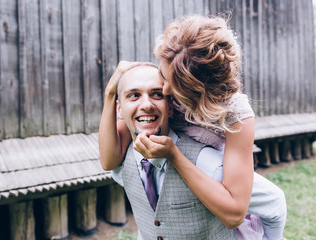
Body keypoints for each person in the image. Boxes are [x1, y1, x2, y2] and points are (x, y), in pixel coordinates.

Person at [99, 62, 286, 240]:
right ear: (119, 108)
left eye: (156, 94)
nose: (146, 104)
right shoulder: (123, 160)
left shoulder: (206, 163)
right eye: (134, 95)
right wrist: (109, 92)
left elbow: (274, 203)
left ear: (171, 107)